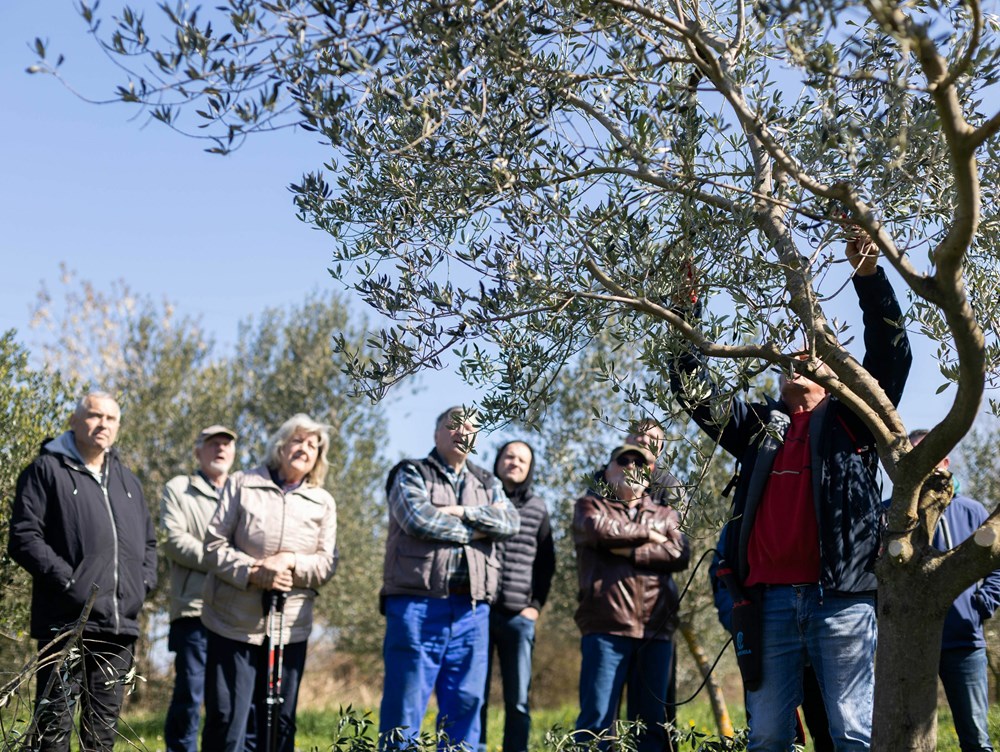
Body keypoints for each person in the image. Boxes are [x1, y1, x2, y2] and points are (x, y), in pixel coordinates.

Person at [670, 236, 911, 751]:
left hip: (840, 600)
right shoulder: (760, 427)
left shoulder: (852, 420)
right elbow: (694, 390)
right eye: (788, 360)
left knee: (852, 733)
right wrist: (682, 306)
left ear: (831, 373)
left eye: (810, 356)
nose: (796, 361)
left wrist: (869, 275)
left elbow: (893, 355)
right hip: (770, 603)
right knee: (769, 737)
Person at [8, 391, 157, 752]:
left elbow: (150, 545)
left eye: (110, 419)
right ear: (75, 421)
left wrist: (143, 584)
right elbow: (24, 537)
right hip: (67, 623)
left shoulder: (128, 483)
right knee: (53, 732)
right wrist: (70, 583)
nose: (102, 424)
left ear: (118, 427)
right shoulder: (46, 471)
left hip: (118, 628)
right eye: (94, 416)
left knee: (102, 737)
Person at [379, 406, 520, 749]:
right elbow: (418, 519)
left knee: (467, 706)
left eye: (469, 427)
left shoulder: (488, 482)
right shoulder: (411, 473)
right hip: (416, 605)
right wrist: (478, 529)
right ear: (436, 434)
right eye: (452, 425)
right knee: (405, 708)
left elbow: (510, 523)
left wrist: (461, 512)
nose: (461, 431)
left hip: (472, 611)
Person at [200, 414, 337, 752]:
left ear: (319, 457)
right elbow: (213, 545)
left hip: (290, 628)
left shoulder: (323, 502)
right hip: (234, 624)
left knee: (280, 723)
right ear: (281, 445)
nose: (304, 448)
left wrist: (292, 562)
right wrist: (253, 570)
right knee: (226, 720)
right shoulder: (242, 483)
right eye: (297, 440)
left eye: (312, 444)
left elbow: (326, 562)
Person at [573, 443, 690, 752]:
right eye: (622, 460)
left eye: (639, 463)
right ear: (607, 471)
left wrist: (628, 549)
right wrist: (651, 536)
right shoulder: (590, 505)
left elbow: (679, 553)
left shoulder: (665, 513)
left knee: (653, 725)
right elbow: (597, 529)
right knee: (596, 724)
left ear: (649, 477)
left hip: (656, 632)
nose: (630, 466)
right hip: (606, 629)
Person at [908, 430, 1000, 752]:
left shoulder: (973, 511)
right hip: (911, 647)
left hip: (963, 641)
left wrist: (982, 604)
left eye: (933, 456)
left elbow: (997, 565)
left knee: (975, 737)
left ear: (946, 462)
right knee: (911, 739)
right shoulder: (896, 514)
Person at [161, 424, 237, 752]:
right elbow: (174, 540)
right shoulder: (179, 488)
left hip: (236, 612)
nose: (220, 449)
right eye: (213, 444)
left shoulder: (242, 490)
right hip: (193, 609)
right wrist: (227, 562)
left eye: (226, 444)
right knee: (190, 695)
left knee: (229, 699)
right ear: (197, 451)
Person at [478, 441, 555, 752]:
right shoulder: (480, 498)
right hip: (479, 613)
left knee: (518, 701)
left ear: (530, 467)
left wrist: (535, 607)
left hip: (519, 617)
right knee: (474, 696)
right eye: (509, 456)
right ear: (498, 461)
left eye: (522, 459)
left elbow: (547, 564)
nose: (515, 463)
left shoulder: (538, 508)